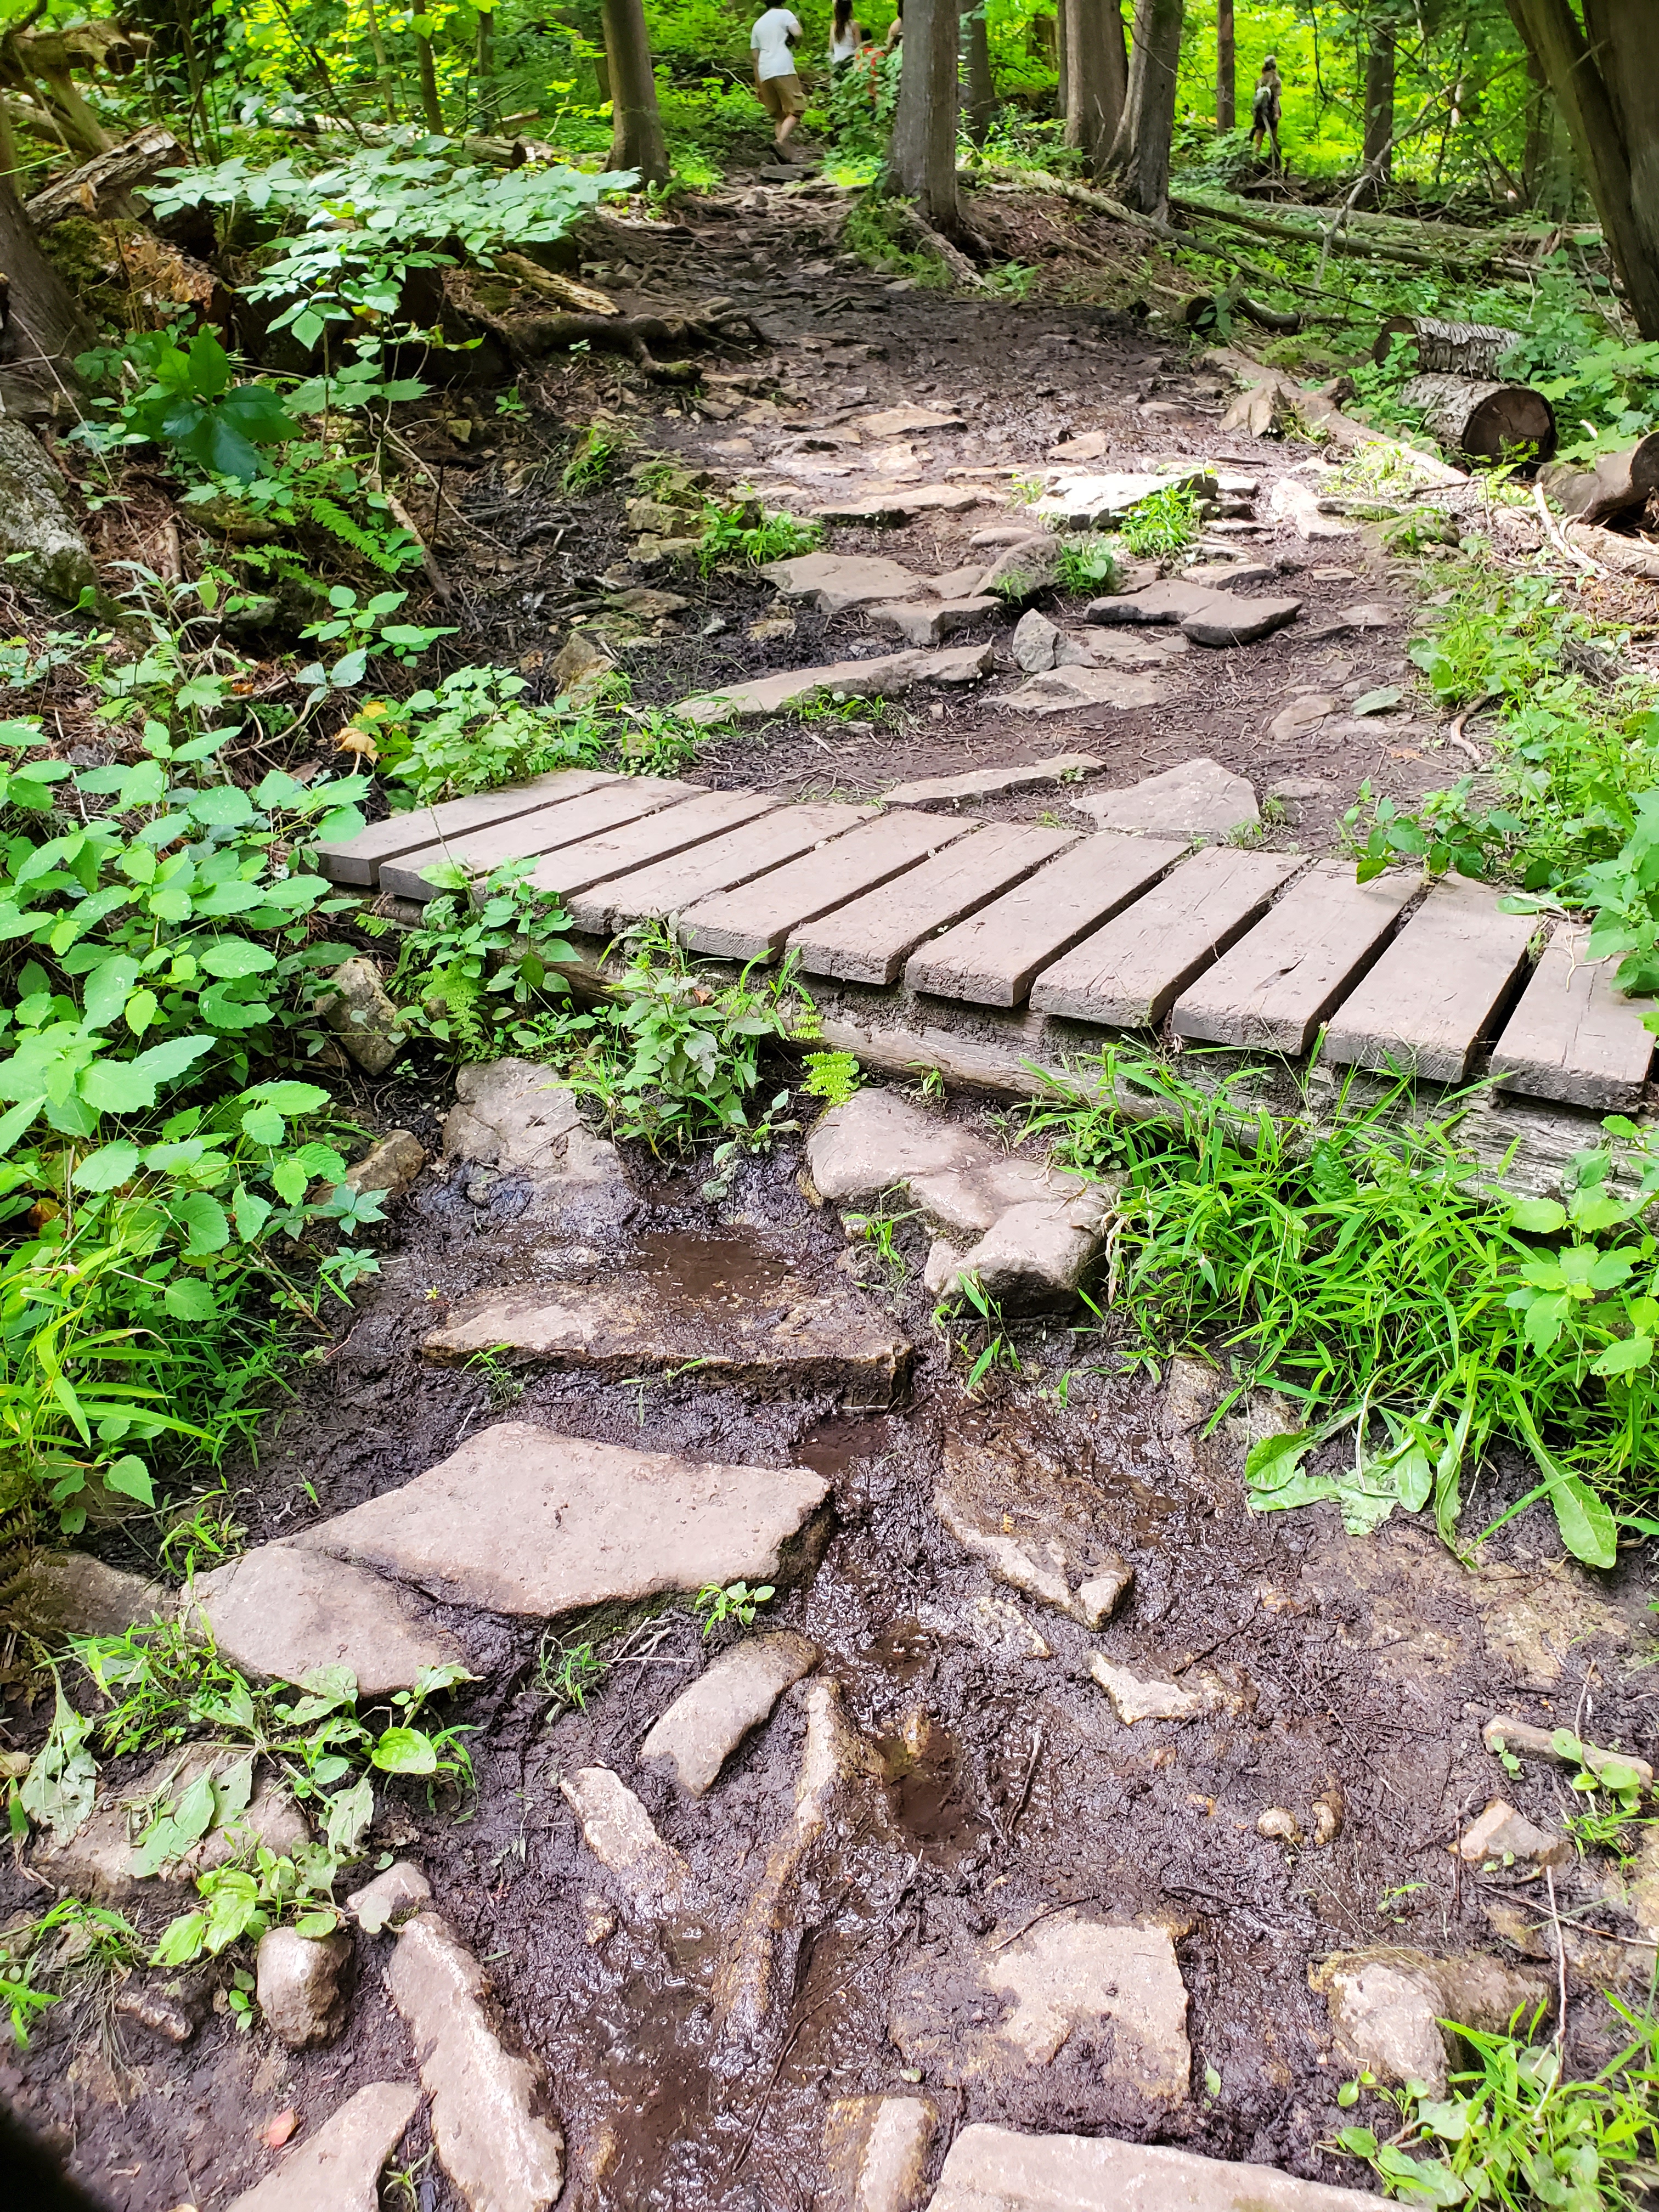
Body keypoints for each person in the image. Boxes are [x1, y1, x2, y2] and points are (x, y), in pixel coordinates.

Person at [751, 4, 807, 157]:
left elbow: (755, 58)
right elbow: (798, 33)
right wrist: (794, 39)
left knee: (779, 115)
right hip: (783, 68)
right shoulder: (785, 14)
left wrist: (759, 85)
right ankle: (780, 142)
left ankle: (781, 154)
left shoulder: (758, 24)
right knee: (797, 109)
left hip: (765, 71)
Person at [1250, 54, 1283, 168]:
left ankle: (1254, 160)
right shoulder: (1277, 80)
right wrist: (1277, 113)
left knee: (1259, 137)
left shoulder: (1259, 81)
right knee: (1273, 138)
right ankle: (1275, 162)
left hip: (1260, 114)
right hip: (1271, 112)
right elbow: (1276, 98)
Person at [830, 0, 864, 74]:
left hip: (836, 62)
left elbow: (831, 47)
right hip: (850, 61)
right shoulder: (854, 25)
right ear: (850, 10)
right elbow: (859, 46)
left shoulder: (833, 26)